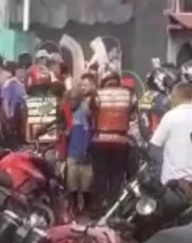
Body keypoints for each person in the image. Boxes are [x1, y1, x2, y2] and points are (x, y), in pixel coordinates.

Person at [150, 82, 192, 184]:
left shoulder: (170, 117)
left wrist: (160, 165)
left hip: (171, 181)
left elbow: (155, 145)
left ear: (175, 96)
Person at [90, 70, 134, 206]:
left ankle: (100, 204)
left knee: (100, 175)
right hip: (121, 141)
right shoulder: (128, 95)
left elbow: (92, 112)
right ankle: (113, 205)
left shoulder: (97, 94)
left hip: (100, 140)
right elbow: (132, 113)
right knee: (117, 175)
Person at [60, 85, 95, 215]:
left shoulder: (84, 112)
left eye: (74, 99)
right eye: (70, 99)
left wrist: (85, 150)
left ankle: (86, 207)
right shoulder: (68, 113)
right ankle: (75, 207)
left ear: (80, 99)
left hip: (84, 153)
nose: (72, 102)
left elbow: (88, 132)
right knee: (72, 184)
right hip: (72, 152)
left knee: (86, 184)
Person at [138, 65, 177, 142]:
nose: (169, 85)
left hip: (147, 135)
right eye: (167, 82)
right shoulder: (161, 99)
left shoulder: (148, 95)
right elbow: (171, 117)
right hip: (159, 137)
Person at [0, 60, 26, 148]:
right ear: (15, 72)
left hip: (22, 116)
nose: (22, 73)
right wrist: (8, 115)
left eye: (23, 71)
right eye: (19, 71)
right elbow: (5, 100)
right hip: (12, 115)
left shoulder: (23, 83)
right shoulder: (10, 83)